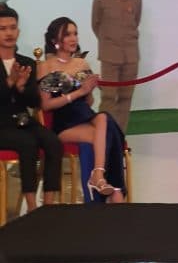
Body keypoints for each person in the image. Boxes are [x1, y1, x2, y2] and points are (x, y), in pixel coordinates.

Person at [37, 17, 126, 202]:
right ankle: (116, 191)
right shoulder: (46, 67)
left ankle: (98, 176)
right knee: (109, 132)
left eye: (75, 33)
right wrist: (78, 92)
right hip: (64, 124)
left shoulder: (82, 64)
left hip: (85, 116)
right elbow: (45, 105)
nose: (73, 38)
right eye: (67, 34)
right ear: (54, 40)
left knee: (103, 120)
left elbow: (89, 102)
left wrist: (90, 90)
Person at [0, 7, 62, 214]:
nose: (8, 33)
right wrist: (9, 82)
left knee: (52, 141)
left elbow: (35, 102)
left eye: (12, 28)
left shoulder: (26, 63)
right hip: (2, 125)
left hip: (22, 120)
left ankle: (49, 205)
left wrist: (21, 88)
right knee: (27, 143)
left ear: (18, 31)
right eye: (2, 29)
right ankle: (32, 207)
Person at [91, 0, 141, 133]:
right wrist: (109, 42)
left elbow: (136, 22)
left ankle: (120, 136)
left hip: (131, 56)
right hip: (110, 55)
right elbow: (96, 24)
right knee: (109, 97)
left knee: (126, 98)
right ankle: (104, 134)